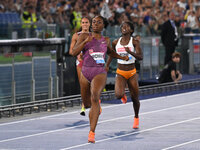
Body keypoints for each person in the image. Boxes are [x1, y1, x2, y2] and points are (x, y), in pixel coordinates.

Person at [71, 15, 129, 143]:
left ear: (103, 26)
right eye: (94, 22)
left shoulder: (106, 39)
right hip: (85, 71)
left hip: (99, 72)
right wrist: (85, 42)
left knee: (95, 96)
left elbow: (110, 52)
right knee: (87, 104)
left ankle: (92, 132)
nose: (95, 24)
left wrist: (122, 57)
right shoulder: (84, 36)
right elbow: (74, 52)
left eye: (99, 22)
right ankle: (96, 109)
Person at [105, 21, 143, 129]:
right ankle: (123, 93)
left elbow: (140, 57)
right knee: (117, 95)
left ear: (131, 30)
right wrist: (107, 65)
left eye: (126, 26)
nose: (124, 28)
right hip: (120, 72)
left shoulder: (134, 42)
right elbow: (112, 54)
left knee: (135, 98)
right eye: (122, 26)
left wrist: (130, 52)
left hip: (132, 72)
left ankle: (136, 117)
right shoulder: (116, 42)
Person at [69, 17, 91, 116]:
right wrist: (78, 55)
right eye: (83, 22)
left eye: (86, 22)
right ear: (81, 24)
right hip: (80, 63)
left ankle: (95, 103)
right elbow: (71, 51)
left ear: (90, 24)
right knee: (83, 85)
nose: (85, 24)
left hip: (91, 63)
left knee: (91, 85)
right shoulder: (76, 35)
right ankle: (83, 105)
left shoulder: (94, 35)